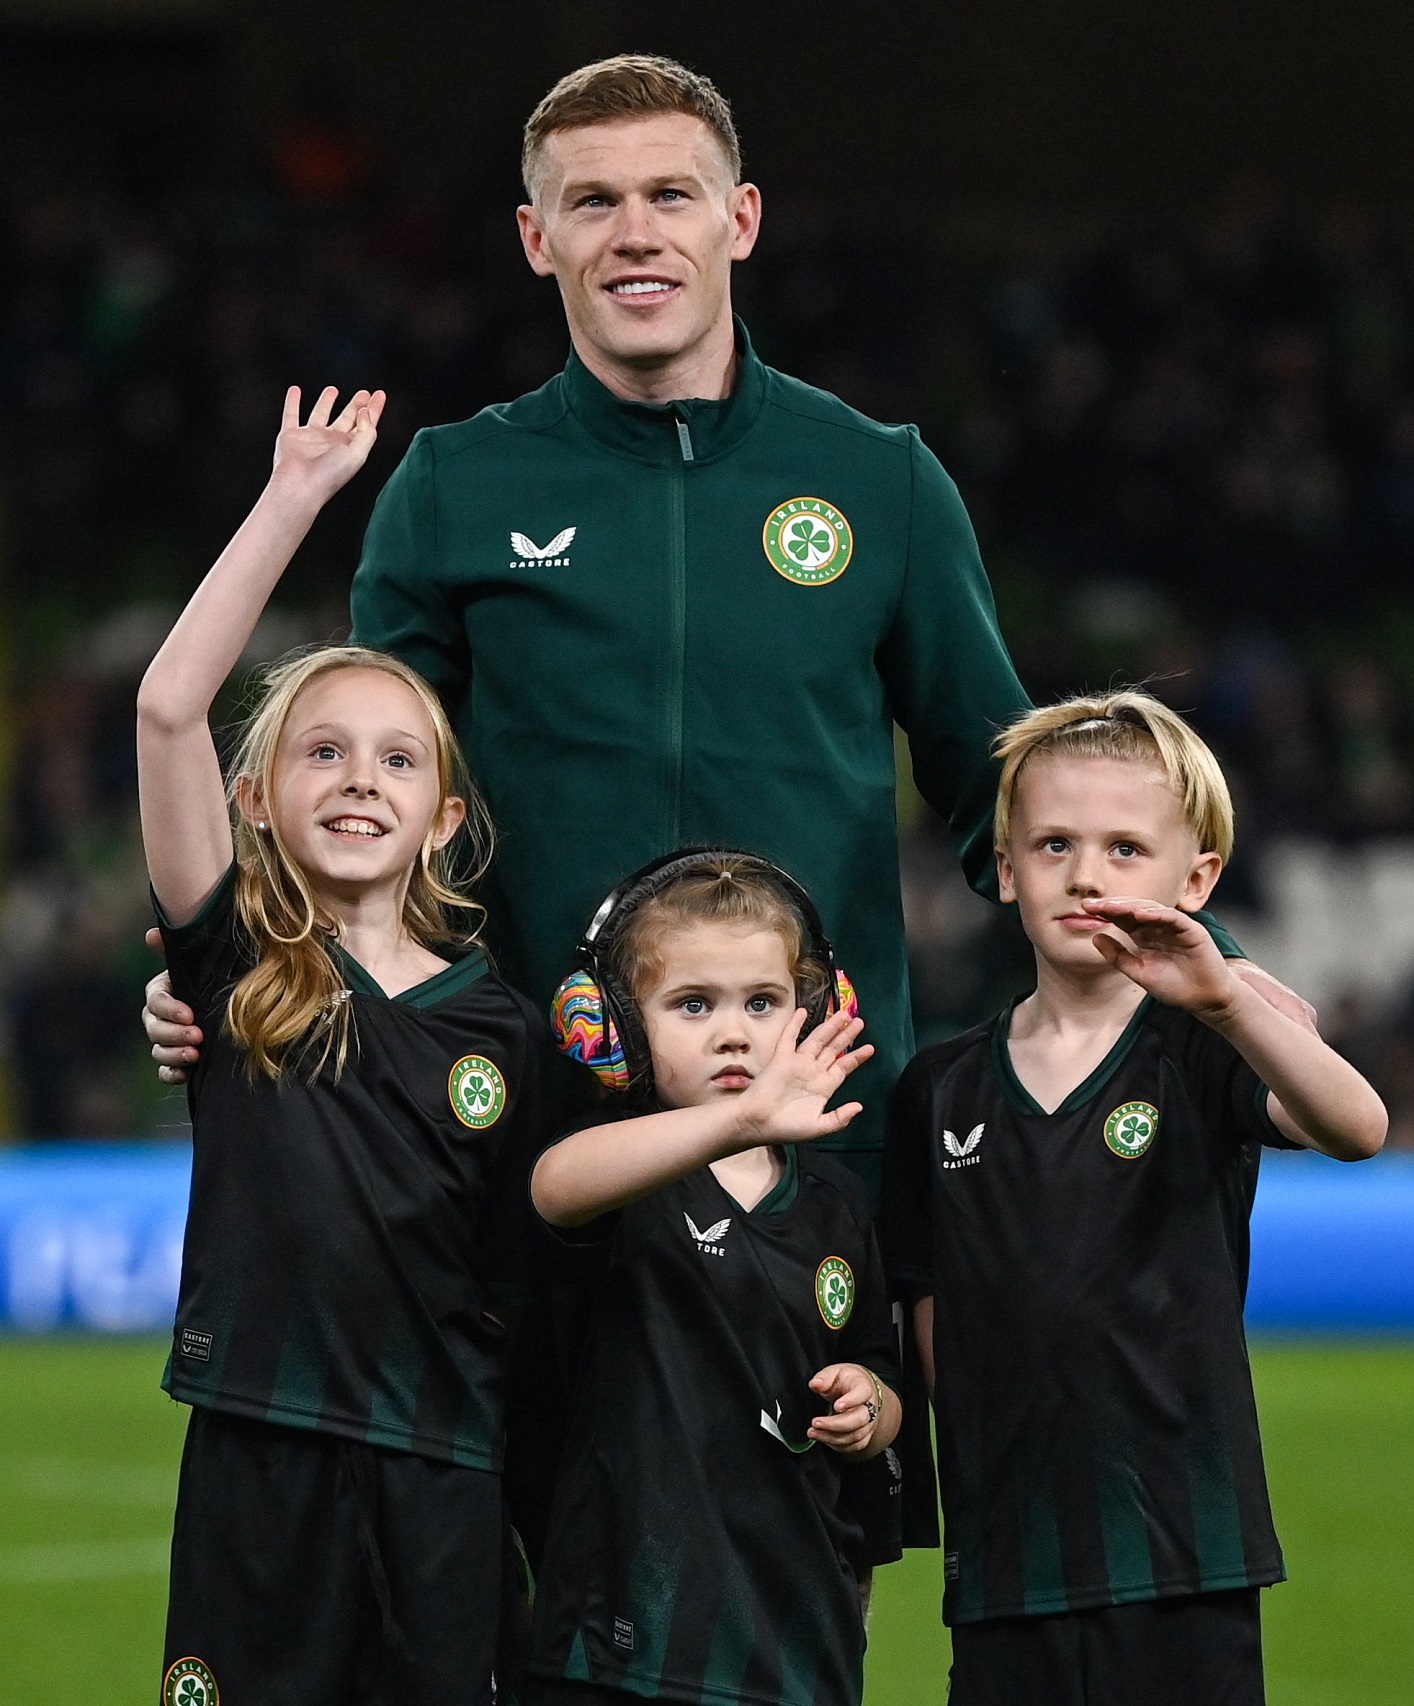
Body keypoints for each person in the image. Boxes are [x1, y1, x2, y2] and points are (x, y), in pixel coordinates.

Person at [148, 53, 1297, 1199]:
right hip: (539, 1121)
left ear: (739, 219)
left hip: (822, 1117)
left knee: (862, 1398)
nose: (634, 232)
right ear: (535, 238)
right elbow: (365, 801)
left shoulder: (879, 479)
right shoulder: (455, 486)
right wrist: (241, 963)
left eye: (670, 195)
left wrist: (1213, 968)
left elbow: (1000, 779)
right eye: (592, 201)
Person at [138, 385, 572, 1706]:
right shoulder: (237, 968)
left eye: (395, 757)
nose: (358, 777)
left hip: (444, 1464)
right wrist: (293, 500)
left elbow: (529, 1266)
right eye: (320, 751)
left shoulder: (504, 1024)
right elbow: (166, 708)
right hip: (259, 1455)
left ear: (444, 816)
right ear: (258, 797)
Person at [883, 690, 1386, 1706]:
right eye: (1054, 842)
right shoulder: (939, 1090)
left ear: (1193, 877)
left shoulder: (1201, 1048)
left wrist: (1229, 995)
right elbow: (930, 1308)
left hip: (1181, 1553)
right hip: (1008, 1564)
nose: (1085, 873)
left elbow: (1356, 1125)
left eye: (1124, 847)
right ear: (1008, 865)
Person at [522, 850, 901, 1706]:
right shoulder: (623, 1170)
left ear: (811, 1015)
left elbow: (882, 1379)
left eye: (762, 1003)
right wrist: (736, 1118)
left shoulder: (837, 1205)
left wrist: (868, 1402)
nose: (734, 1032)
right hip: (619, 1644)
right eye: (693, 1004)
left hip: (794, 1635)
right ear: (613, 1023)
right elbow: (554, 1185)